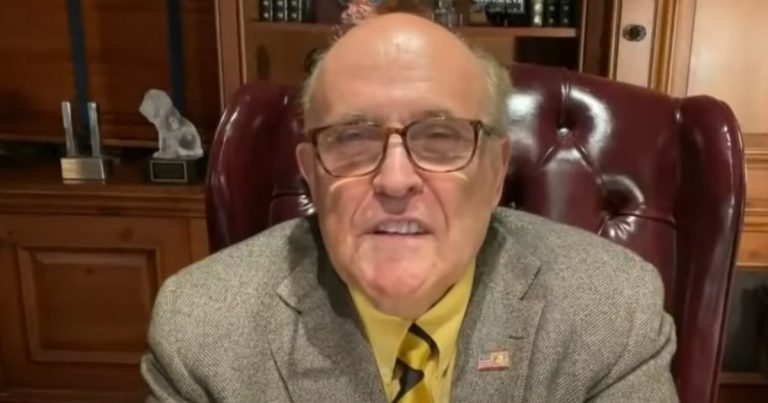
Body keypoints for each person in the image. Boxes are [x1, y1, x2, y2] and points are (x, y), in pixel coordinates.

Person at [141, 12, 678, 403]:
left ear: (495, 172)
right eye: (353, 138)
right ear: (312, 173)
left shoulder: (609, 311)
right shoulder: (203, 329)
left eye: (440, 138)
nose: (395, 180)